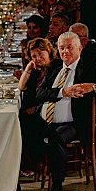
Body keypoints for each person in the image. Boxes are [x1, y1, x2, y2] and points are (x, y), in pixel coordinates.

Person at [35, 31, 95, 191]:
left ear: (79, 48)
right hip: (46, 120)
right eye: (61, 48)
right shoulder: (54, 68)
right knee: (19, 128)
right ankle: (10, 186)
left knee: (56, 138)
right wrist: (63, 92)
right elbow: (39, 94)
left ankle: (57, 190)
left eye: (69, 47)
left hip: (73, 123)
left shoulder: (87, 68)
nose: (65, 52)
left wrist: (92, 87)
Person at [18, 37, 56, 174]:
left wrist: (34, 109)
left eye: (41, 54)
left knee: (25, 123)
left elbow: (53, 96)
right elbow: (21, 87)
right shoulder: (36, 70)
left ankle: (32, 163)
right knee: (18, 120)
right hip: (33, 111)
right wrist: (28, 68)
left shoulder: (55, 69)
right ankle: (23, 162)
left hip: (48, 113)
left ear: (48, 51)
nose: (38, 58)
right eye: (34, 56)